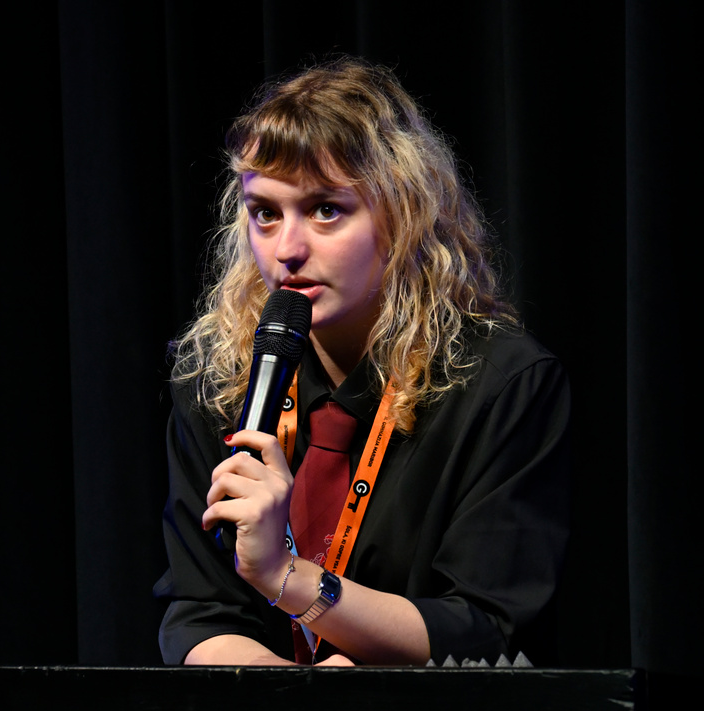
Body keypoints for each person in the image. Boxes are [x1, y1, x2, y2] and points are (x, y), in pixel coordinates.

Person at [156, 58, 569, 667]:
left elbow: (482, 625)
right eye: (265, 212)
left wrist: (286, 576)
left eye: (326, 209)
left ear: (403, 213)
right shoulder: (217, 381)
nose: (287, 249)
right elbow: (199, 613)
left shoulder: (501, 384)